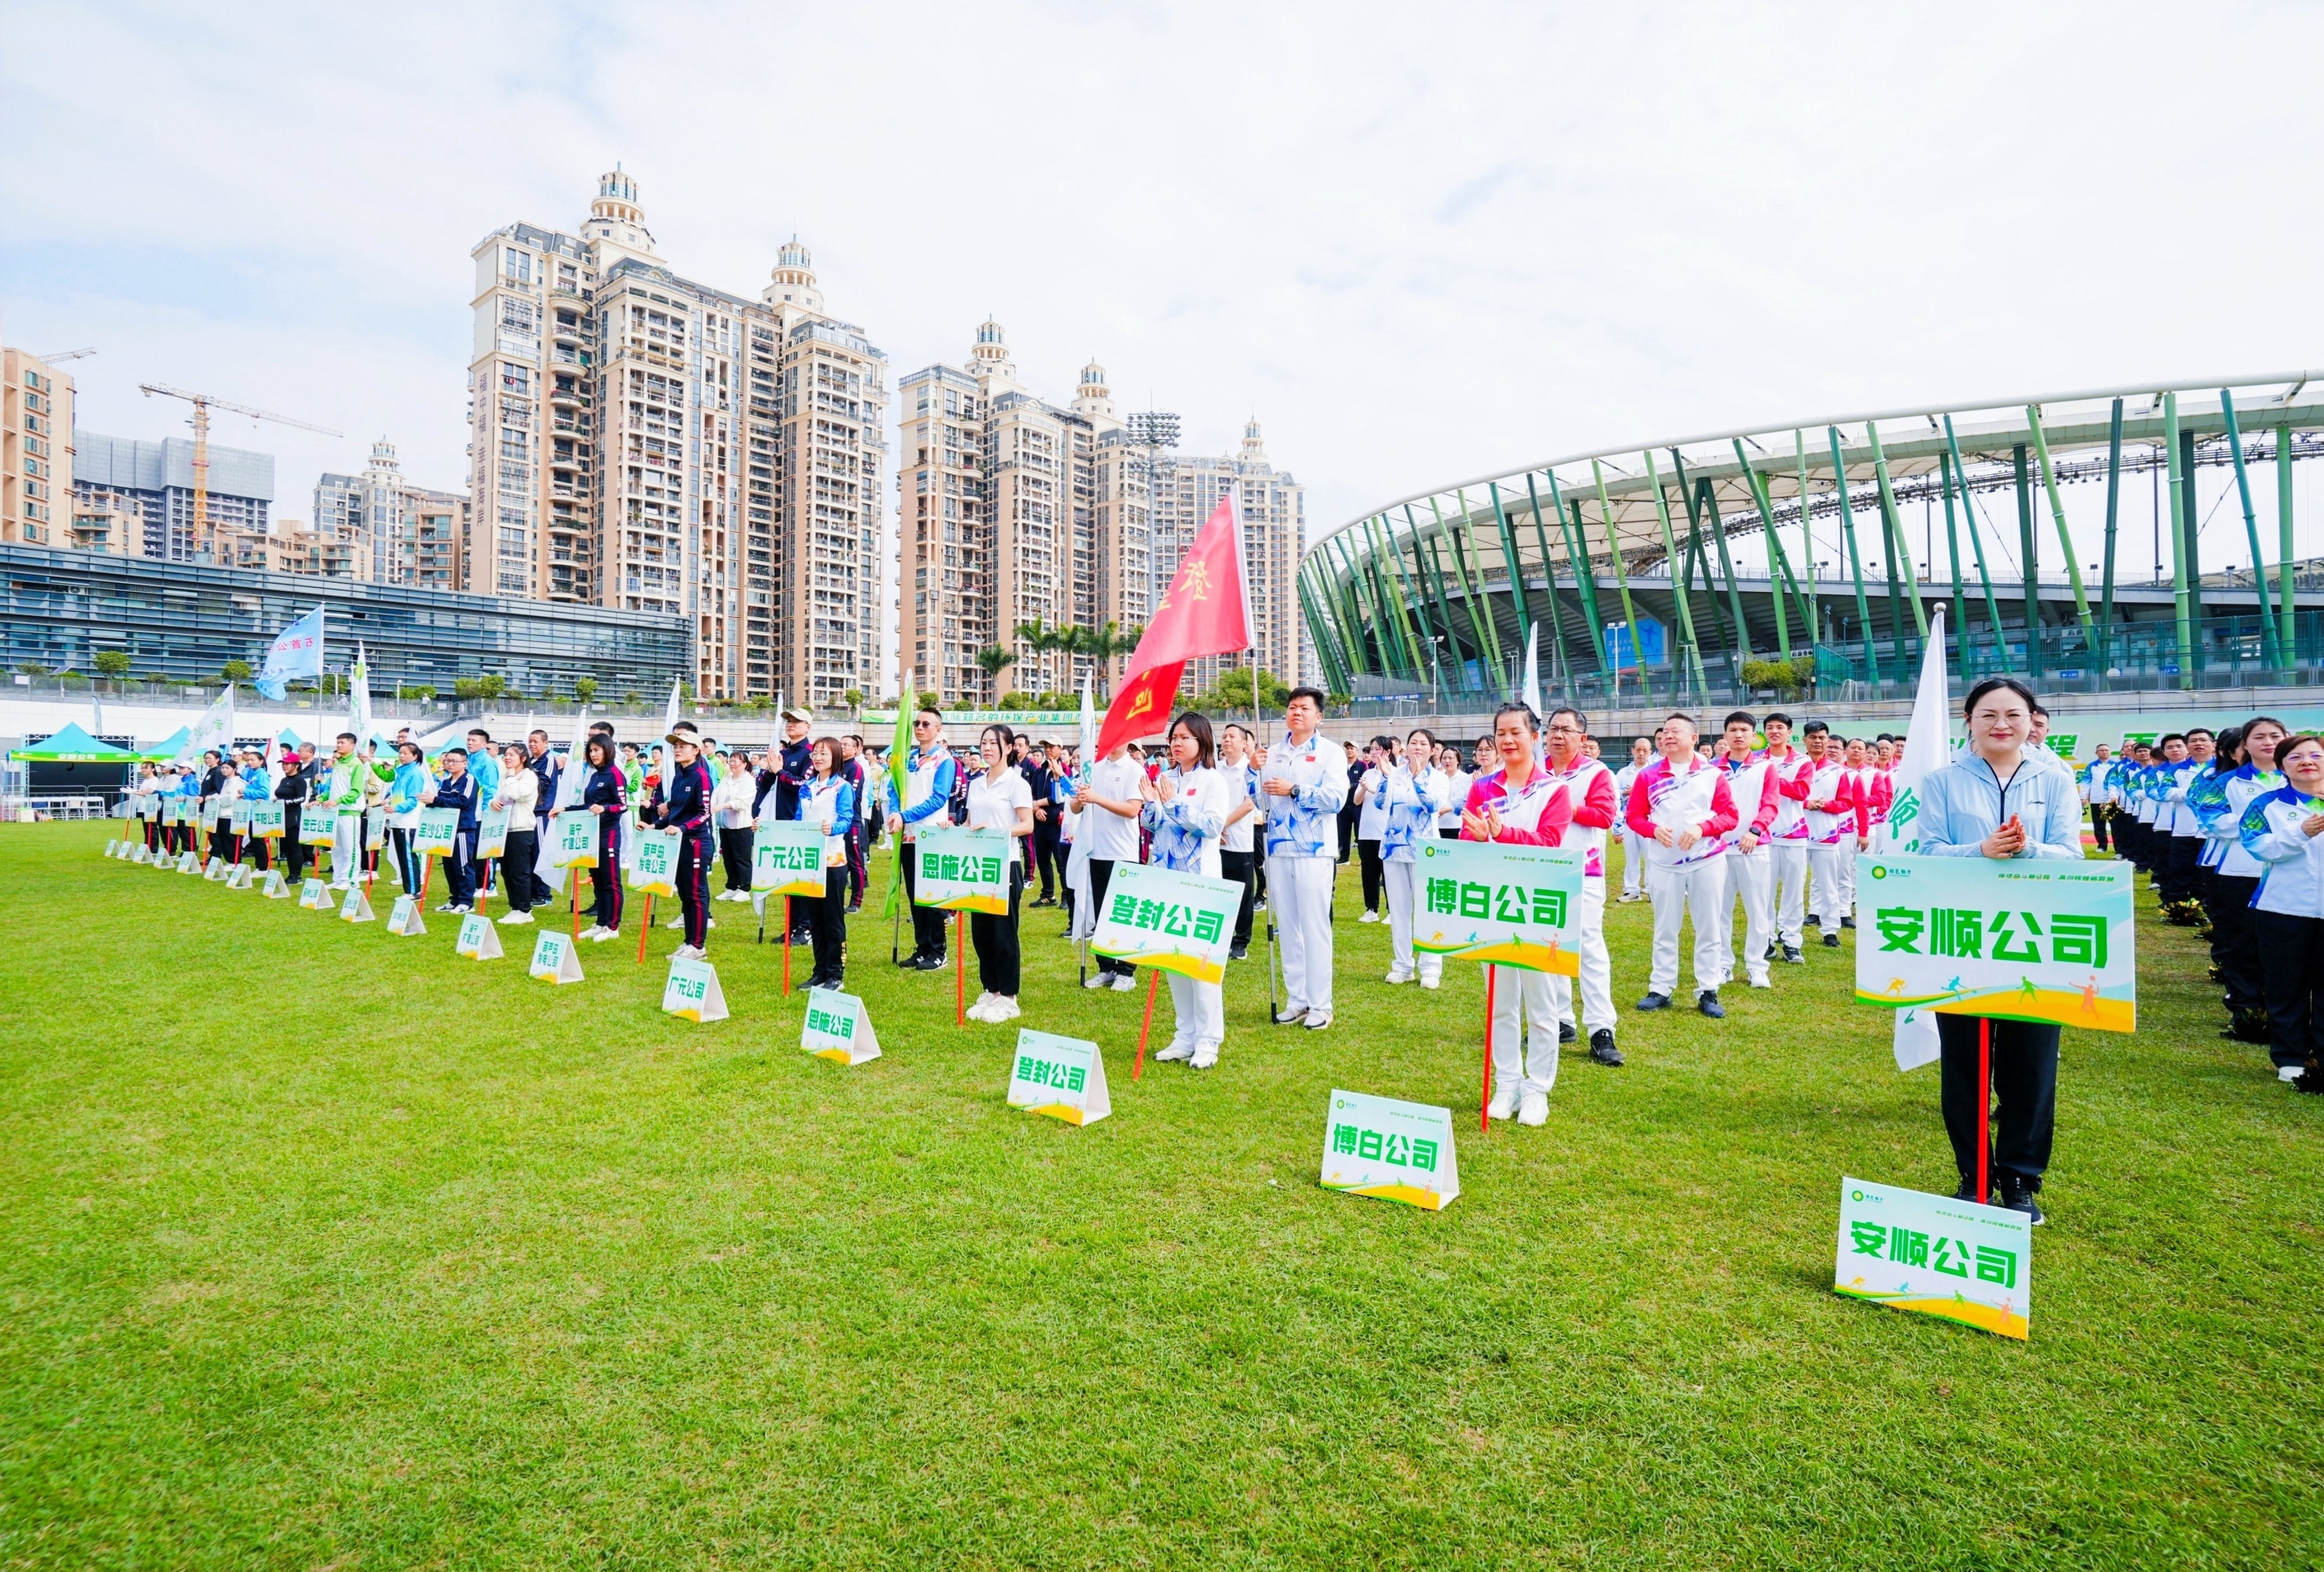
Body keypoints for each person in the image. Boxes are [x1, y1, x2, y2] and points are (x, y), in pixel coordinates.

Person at [1914, 676, 2088, 1220]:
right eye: (1988, 714)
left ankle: (2020, 1179)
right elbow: (1927, 851)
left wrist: (2029, 848)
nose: (2001, 725)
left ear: (2031, 721)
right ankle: (1975, 1176)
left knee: (2032, 1065)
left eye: (2013, 714)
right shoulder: (1943, 780)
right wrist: (1981, 850)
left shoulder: (2056, 779)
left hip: (2037, 940)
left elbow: (2072, 856)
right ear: (1969, 721)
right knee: (1965, 1064)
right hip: (1963, 937)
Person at [1461, 702, 1577, 1125]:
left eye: (1516, 732)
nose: (1508, 741)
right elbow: (1468, 839)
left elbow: (1550, 843)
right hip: (1492, 908)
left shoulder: (1554, 790)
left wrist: (1502, 833)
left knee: (1542, 1005)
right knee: (1501, 1004)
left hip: (1537, 910)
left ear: (1534, 736)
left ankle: (1537, 1089)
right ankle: (1507, 1084)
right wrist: (1476, 838)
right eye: (1501, 733)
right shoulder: (1482, 788)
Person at [1626, 713, 1740, 1016]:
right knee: (1665, 927)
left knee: (1709, 926)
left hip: (1706, 860)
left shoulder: (1712, 774)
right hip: (1664, 862)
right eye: (1665, 732)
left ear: (1694, 737)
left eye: (1677, 731)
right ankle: (1661, 988)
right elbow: (1634, 816)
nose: (1669, 736)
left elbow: (1730, 816)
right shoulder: (1648, 775)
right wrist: (1653, 830)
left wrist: (1703, 828)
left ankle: (1708, 989)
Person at [1142, 712, 1233, 1067]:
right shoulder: (1164, 777)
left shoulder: (1214, 781)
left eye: (1185, 738)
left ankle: (1208, 1040)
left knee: (1201, 963)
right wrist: (1151, 804)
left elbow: (1212, 827)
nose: (1177, 744)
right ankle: (1185, 1036)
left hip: (1201, 881)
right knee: (1173, 959)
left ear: (1202, 742)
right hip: (1166, 878)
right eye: (1174, 738)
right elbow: (1153, 825)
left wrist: (1174, 804)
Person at [1262, 687, 1351, 1031]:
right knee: (1289, 927)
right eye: (1292, 707)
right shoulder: (1273, 753)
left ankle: (1321, 1004)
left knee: (1315, 927)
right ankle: (1296, 999)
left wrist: (1296, 790)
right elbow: (1260, 801)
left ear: (1319, 716)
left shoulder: (1330, 753)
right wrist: (1253, 775)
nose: (1296, 712)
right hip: (1280, 850)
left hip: (1315, 850)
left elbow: (1336, 800)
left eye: (1304, 708)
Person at [2240, 732, 2324, 1093]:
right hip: (2284, 908)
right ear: (2283, 766)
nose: (2307, 762)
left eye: (2315, 755)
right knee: (2286, 984)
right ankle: (2290, 1056)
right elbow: (2257, 847)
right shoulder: (2267, 804)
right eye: (2296, 757)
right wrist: (2299, 832)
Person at [1542, 707, 1624, 1064]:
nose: (1558, 735)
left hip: (1583, 870)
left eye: (1566, 730)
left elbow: (1605, 816)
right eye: (1553, 729)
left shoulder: (1597, 773)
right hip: (1540, 869)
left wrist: (1566, 808)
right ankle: (1561, 1020)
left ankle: (1601, 1030)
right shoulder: (1533, 770)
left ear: (1582, 737)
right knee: (1550, 946)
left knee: (1589, 946)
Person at [965, 725, 1035, 1022]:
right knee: (981, 932)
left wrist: (995, 833)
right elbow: (971, 822)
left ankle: (1008, 996)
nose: (988, 748)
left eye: (994, 743)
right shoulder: (976, 784)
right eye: (984, 743)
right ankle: (990, 990)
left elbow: (1027, 825)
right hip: (978, 867)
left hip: (1005, 864)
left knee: (1004, 933)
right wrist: (954, 829)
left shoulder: (1016, 783)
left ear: (1008, 748)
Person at [887, 706, 959, 971]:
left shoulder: (945, 761)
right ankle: (922, 948)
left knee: (933, 898)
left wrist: (904, 815)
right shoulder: (906, 759)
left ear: (938, 730)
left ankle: (939, 952)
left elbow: (939, 798)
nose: (919, 728)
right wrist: (895, 812)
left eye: (926, 724)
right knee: (915, 897)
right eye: (916, 723)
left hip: (932, 836)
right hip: (908, 836)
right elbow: (895, 788)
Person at [1072, 736, 1146, 991]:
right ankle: (1106, 967)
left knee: (1124, 913)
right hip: (1096, 851)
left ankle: (1127, 972)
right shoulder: (1095, 767)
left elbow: (1131, 810)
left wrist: (1096, 798)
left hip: (1123, 851)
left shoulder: (1134, 770)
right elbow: (1075, 806)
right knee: (1102, 912)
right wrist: (1080, 800)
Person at [1715, 711, 1781, 992]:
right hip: (1718, 850)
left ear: (1755, 736)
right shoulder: (1711, 769)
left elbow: (1771, 804)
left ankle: (1756, 967)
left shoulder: (1765, 768)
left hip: (1753, 848)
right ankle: (1723, 964)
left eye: (1744, 730)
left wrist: (1755, 830)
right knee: (1719, 910)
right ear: (1726, 736)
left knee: (1758, 910)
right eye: (1733, 730)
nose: (1738, 735)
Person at [1379, 727, 1449, 988]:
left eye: (1423, 744)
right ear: (1404, 749)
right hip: (1394, 849)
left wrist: (1419, 779)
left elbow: (1434, 806)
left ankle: (1431, 969)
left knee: (1428, 910)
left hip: (1426, 851)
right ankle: (1402, 965)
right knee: (1398, 911)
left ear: (1433, 750)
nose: (1417, 747)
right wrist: (1387, 778)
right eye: (1413, 743)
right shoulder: (1395, 774)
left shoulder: (1438, 778)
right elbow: (1379, 804)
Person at [796, 736, 858, 990]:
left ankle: (836, 974)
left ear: (835, 757)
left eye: (824, 754)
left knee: (833, 920)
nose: (818, 758)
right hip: (810, 861)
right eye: (815, 753)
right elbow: (798, 819)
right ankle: (819, 971)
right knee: (815, 920)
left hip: (833, 861)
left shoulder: (842, 787)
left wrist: (832, 828)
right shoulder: (806, 787)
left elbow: (847, 819)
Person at [653, 722, 717, 961]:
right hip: (679, 842)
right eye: (676, 746)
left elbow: (704, 813)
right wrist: (654, 825)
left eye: (683, 746)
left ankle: (698, 946)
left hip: (696, 842)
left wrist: (681, 828)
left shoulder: (701, 776)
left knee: (696, 893)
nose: (678, 749)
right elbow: (676, 810)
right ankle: (689, 941)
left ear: (696, 750)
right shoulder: (679, 776)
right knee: (686, 894)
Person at [576, 735, 628, 942]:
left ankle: (613, 927)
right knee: (598, 879)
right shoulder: (595, 775)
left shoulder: (615, 774)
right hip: (593, 834)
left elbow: (622, 805)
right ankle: (601, 923)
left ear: (607, 750)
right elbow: (588, 806)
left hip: (609, 834)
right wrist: (565, 809)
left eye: (597, 750)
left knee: (611, 881)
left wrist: (605, 808)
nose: (593, 754)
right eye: (591, 751)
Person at [1218, 724, 1261, 961]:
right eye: (1224, 736)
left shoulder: (1249, 770)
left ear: (1244, 743)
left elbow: (1248, 803)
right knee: (1220, 890)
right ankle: (1222, 937)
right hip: (1217, 841)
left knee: (1243, 894)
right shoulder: (1215, 769)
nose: (1226, 740)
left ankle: (1241, 940)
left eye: (1232, 737)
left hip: (1240, 841)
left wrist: (1222, 824)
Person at [422, 746, 480, 915]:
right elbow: (441, 801)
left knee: (463, 865)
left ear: (465, 763)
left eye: (454, 761)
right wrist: (429, 801)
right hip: (447, 829)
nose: (450, 764)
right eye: (448, 760)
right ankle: (455, 899)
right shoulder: (447, 781)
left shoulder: (469, 780)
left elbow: (463, 801)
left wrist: (436, 800)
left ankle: (467, 902)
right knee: (450, 867)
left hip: (463, 829)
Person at [492, 742, 539, 924]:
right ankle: (515, 907)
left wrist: (511, 777)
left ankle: (525, 910)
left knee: (520, 872)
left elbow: (518, 794)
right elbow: (498, 797)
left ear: (523, 759)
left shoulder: (529, 777)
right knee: (507, 871)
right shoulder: (505, 776)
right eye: (506, 755)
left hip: (522, 830)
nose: (507, 758)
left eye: (512, 755)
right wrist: (492, 803)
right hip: (505, 829)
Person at [1353, 736, 1395, 922]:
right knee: (1369, 872)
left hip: (1386, 831)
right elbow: (1356, 801)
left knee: (1389, 874)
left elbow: (1389, 801)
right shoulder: (1368, 773)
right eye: (1372, 749)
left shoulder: (1395, 773)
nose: (1373, 752)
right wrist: (1363, 788)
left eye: (1377, 749)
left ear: (1387, 751)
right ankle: (1372, 909)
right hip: (1366, 832)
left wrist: (1372, 790)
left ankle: (1393, 911)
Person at [712, 750, 757, 901]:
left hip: (741, 826)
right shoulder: (726, 779)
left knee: (742, 858)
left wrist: (723, 806)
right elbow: (716, 795)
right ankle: (731, 887)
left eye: (736, 761)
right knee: (729, 858)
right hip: (725, 825)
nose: (732, 763)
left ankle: (744, 889)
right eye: (731, 760)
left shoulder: (748, 781)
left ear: (745, 764)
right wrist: (711, 806)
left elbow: (743, 802)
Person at [1612, 737, 1653, 901]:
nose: (1641, 754)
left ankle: (1652, 890)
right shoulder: (1623, 773)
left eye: (1645, 751)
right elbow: (1615, 798)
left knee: (1651, 856)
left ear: (1650, 753)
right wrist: (1624, 793)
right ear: (1633, 751)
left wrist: (1638, 791)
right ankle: (1632, 891)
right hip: (1630, 820)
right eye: (1638, 750)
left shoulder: (1655, 771)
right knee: (1632, 857)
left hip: (1650, 821)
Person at [386, 741, 428, 892]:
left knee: (409, 858)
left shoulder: (415, 774)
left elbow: (412, 800)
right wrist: (389, 802)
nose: (402, 756)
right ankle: (409, 890)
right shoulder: (401, 772)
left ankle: (413, 891)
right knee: (403, 858)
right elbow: (399, 795)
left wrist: (395, 808)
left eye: (406, 754)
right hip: (398, 820)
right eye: (400, 753)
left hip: (408, 821)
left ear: (415, 756)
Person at [2082, 742, 2115, 855]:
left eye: (2107, 750)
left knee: (2115, 825)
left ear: (2110, 752)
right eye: (2102, 750)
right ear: (2097, 753)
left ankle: (2119, 848)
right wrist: (2083, 797)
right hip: (2096, 799)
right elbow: (2086, 783)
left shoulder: (2116, 766)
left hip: (2112, 800)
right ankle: (2102, 846)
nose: (2105, 752)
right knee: (2099, 824)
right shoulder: (2092, 766)